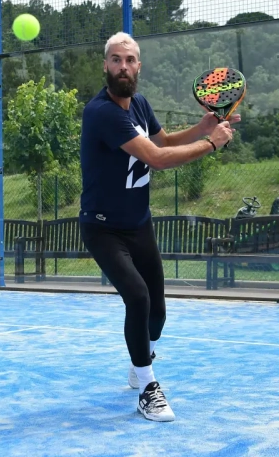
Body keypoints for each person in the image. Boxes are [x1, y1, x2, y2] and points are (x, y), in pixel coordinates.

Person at [79, 32, 239, 422]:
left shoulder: (140, 105)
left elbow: (163, 140)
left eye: (130, 60)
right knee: (137, 298)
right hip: (103, 228)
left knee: (158, 314)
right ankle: (149, 388)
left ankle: (139, 361)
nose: (123, 67)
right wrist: (213, 144)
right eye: (115, 60)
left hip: (139, 224)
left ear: (138, 66)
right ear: (106, 66)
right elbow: (158, 158)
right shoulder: (103, 113)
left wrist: (202, 128)